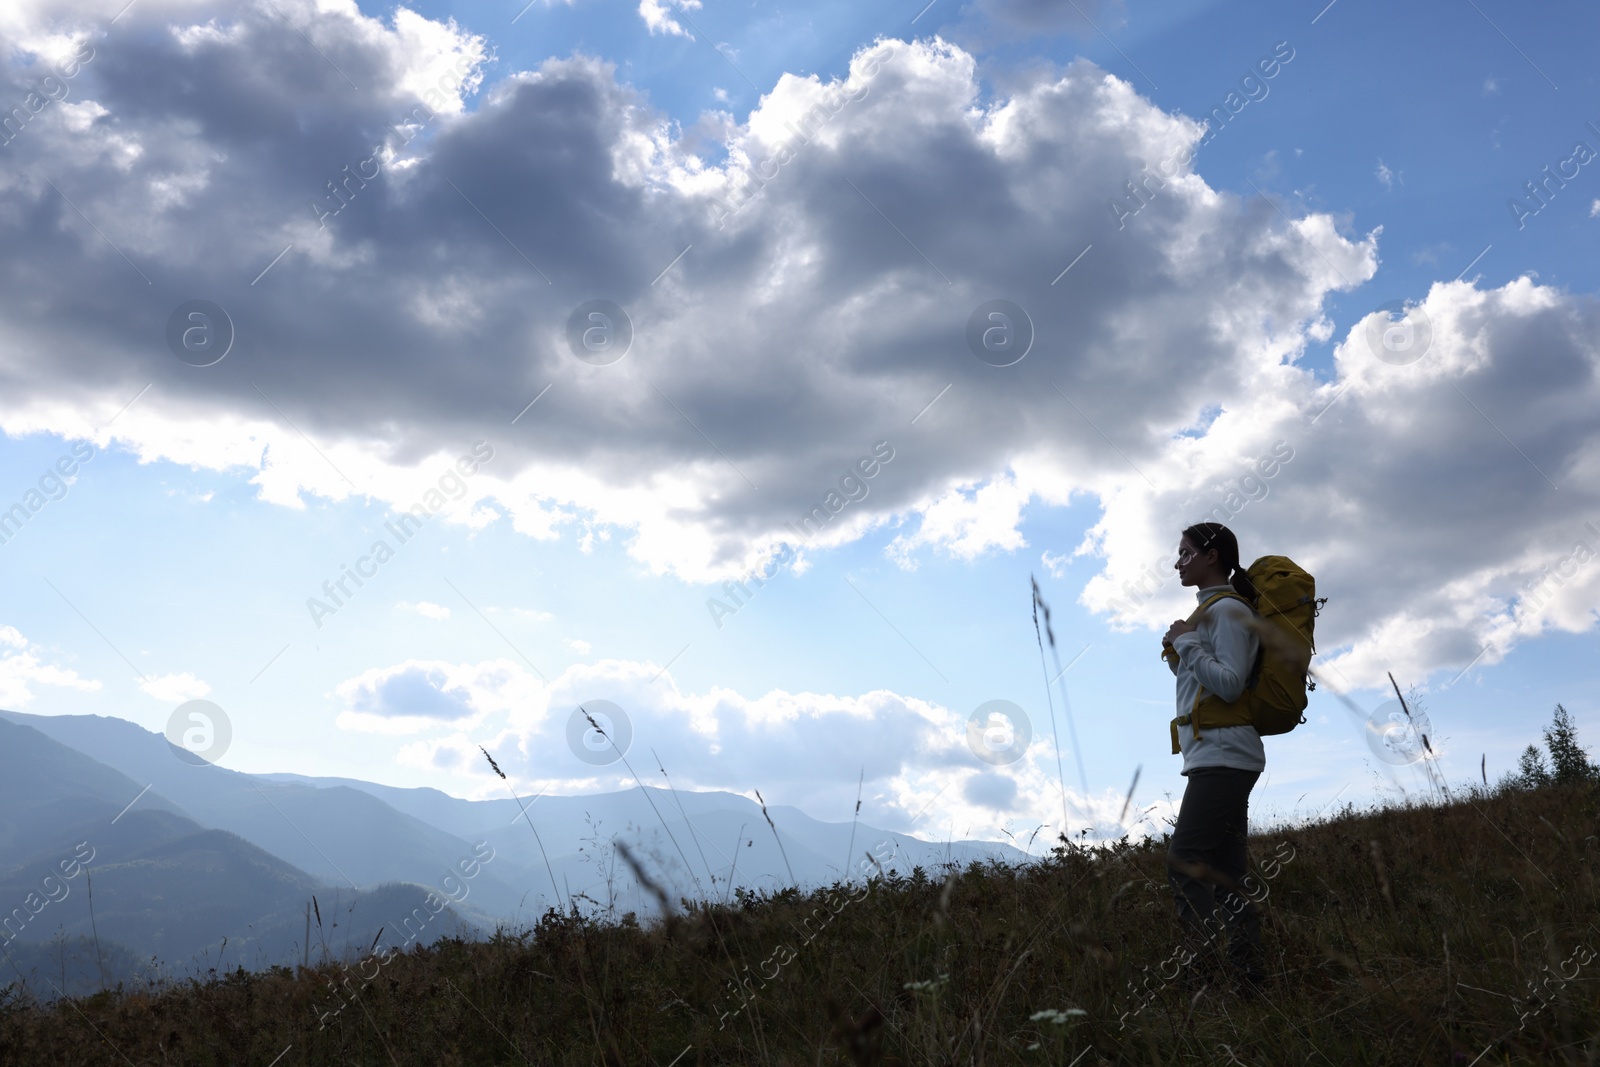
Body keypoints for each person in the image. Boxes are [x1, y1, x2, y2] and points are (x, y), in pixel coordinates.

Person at [1160, 521, 1266, 995]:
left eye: (1185, 553)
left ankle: (1202, 978)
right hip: (1220, 756)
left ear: (1212, 555)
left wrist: (1186, 643)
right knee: (1226, 877)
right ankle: (1246, 980)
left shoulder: (1224, 611)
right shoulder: (1207, 614)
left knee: (1184, 860)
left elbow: (1229, 682)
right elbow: (1207, 688)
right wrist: (1181, 655)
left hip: (1225, 758)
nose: (1178, 562)